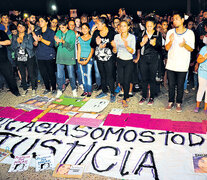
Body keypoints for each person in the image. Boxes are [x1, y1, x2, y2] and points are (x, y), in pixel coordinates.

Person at [165, 12, 195, 112]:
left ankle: (179, 103)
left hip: (182, 64)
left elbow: (191, 49)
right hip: (171, 64)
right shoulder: (170, 32)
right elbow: (166, 48)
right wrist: (170, 41)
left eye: (177, 19)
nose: (175, 21)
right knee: (171, 84)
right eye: (173, 19)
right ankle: (170, 102)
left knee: (180, 84)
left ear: (182, 20)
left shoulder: (190, 33)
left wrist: (184, 45)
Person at [90, 17, 116, 103]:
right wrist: (96, 43)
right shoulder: (96, 32)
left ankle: (112, 93)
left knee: (110, 75)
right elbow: (92, 44)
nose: (96, 25)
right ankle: (104, 91)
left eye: (98, 24)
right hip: (99, 57)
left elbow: (114, 45)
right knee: (102, 75)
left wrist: (106, 45)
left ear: (103, 24)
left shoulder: (111, 32)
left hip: (109, 57)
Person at [137, 17, 162, 105]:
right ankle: (144, 96)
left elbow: (160, 49)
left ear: (154, 25)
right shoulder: (142, 33)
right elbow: (137, 46)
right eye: (147, 26)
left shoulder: (158, 34)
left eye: (151, 26)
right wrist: (142, 43)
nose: (149, 28)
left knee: (152, 78)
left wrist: (155, 44)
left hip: (153, 58)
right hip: (143, 58)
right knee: (144, 78)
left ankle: (151, 97)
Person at [112, 20, 136, 107]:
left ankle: (125, 98)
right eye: (121, 26)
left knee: (127, 81)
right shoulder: (116, 36)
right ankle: (126, 95)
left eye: (124, 26)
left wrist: (126, 46)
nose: (122, 28)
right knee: (121, 80)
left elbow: (133, 51)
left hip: (128, 61)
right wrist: (114, 47)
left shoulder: (132, 37)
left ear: (128, 27)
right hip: (119, 60)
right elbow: (115, 51)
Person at [11, 21, 37, 96]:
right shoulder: (14, 36)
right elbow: (12, 47)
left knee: (31, 73)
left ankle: (33, 89)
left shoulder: (28, 35)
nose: (20, 28)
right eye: (19, 26)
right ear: (17, 28)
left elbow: (31, 47)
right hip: (19, 57)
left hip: (29, 56)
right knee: (22, 73)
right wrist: (17, 43)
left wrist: (21, 43)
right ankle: (25, 88)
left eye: (22, 26)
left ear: (25, 28)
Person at [33, 16, 57, 95]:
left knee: (51, 73)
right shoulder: (37, 31)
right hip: (40, 55)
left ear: (47, 22)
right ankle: (47, 88)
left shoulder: (51, 32)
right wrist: (35, 43)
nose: (40, 23)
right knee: (43, 73)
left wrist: (41, 40)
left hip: (49, 55)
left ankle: (53, 88)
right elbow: (35, 43)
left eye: (42, 21)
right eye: (39, 21)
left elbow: (51, 44)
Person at [55, 20, 77, 98]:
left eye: (63, 27)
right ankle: (59, 89)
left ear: (66, 26)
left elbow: (71, 47)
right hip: (60, 56)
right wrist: (56, 42)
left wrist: (63, 41)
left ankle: (74, 89)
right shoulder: (58, 32)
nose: (61, 29)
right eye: (60, 27)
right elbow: (55, 45)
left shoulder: (71, 33)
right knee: (59, 75)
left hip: (69, 56)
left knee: (71, 75)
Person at [0, 29, 20, 96]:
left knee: (10, 76)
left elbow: (8, 42)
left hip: (3, 60)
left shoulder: (1, 32)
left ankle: (15, 91)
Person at [77, 23, 94, 97]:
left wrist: (87, 60)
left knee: (89, 75)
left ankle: (89, 90)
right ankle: (85, 90)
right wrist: (78, 60)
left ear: (89, 29)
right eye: (82, 28)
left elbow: (92, 50)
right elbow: (79, 49)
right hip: (81, 59)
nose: (84, 30)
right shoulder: (79, 38)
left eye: (86, 28)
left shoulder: (92, 38)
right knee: (83, 75)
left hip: (89, 59)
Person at [194, 44, 207, 114]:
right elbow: (198, 60)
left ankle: (205, 108)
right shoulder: (204, 48)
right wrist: (205, 57)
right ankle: (197, 106)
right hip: (203, 72)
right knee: (201, 89)